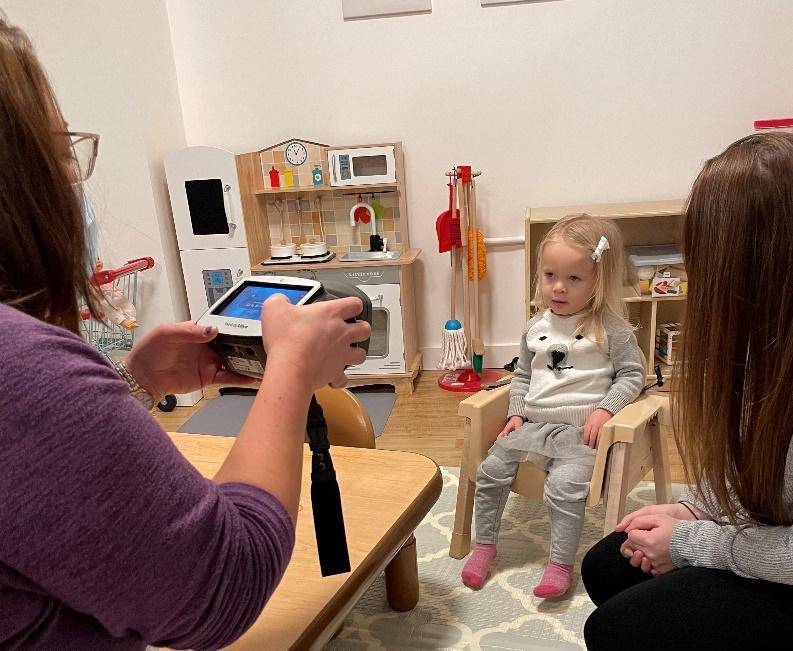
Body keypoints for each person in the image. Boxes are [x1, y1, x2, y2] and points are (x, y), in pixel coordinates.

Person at [0, 16, 370, 651]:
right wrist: (289, 371)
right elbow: (223, 586)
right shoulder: (22, 370)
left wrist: (129, 387)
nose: (71, 180)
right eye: (59, 151)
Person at [581, 131, 793, 649]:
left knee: (616, 627)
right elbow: (757, 474)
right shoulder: (759, 344)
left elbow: (629, 380)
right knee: (608, 564)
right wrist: (696, 508)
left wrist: (697, 541)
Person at [461, 214, 644, 598]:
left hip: (581, 434)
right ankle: (484, 546)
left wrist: (606, 410)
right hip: (532, 425)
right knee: (490, 470)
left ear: (599, 279)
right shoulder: (534, 326)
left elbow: (632, 375)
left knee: (563, 487)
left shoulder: (609, 328)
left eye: (574, 278)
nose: (558, 288)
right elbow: (523, 376)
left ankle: (559, 564)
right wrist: (515, 413)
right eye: (549, 276)